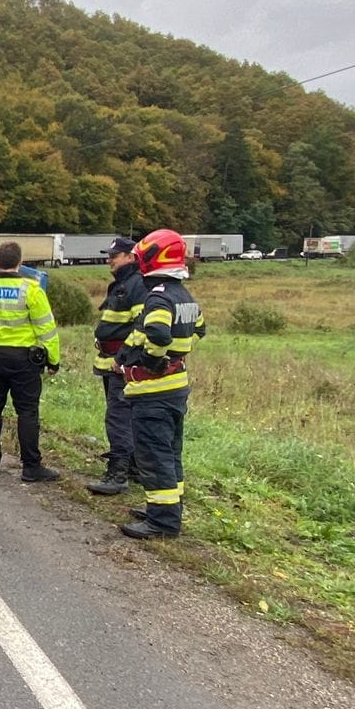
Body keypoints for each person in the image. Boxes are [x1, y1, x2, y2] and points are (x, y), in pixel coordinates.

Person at [118, 228, 204, 539]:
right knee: (170, 451)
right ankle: (168, 507)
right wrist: (176, 354)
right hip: (176, 388)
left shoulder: (158, 298)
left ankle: (163, 522)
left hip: (154, 391)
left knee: (154, 454)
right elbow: (199, 330)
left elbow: (157, 334)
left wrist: (154, 359)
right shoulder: (185, 296)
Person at [0, 241, 62, 482]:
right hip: (23, 360)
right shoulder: (32, 289)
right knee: (27, 412)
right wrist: (53, 360)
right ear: (20, 262)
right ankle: (30, 466)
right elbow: (47, 329)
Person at [86, 235, 146, 496]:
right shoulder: (123, 284)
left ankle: (118, 473)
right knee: (123, 416)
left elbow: (141, 326)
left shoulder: (137, 284)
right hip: (111, 363)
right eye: (109, 255)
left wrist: (124, 360)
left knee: (119, 418)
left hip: (123, 365)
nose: (109, 259)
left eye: (115, 255)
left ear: (131, 257)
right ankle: (133, 466)